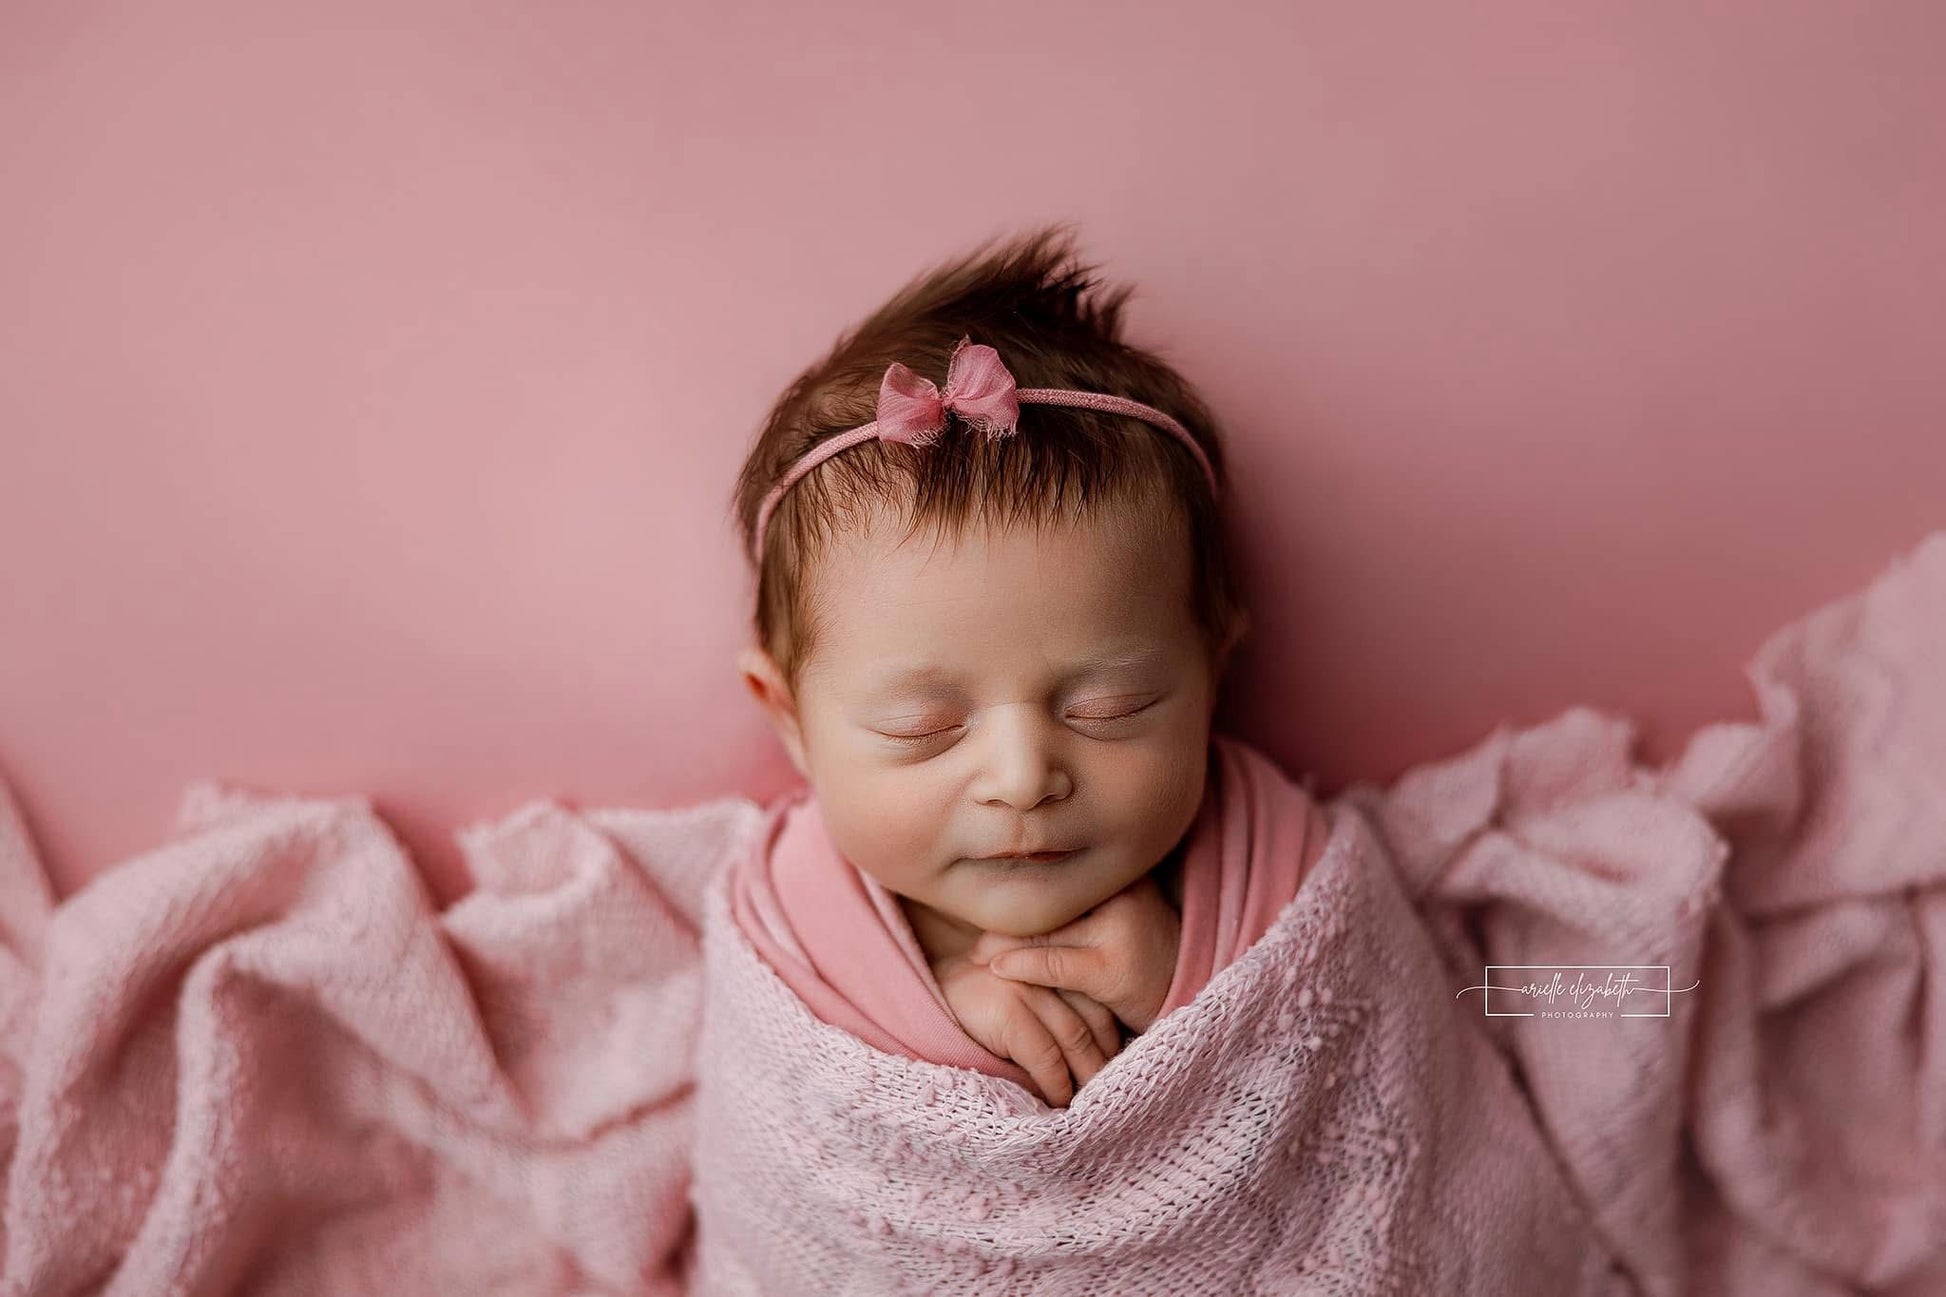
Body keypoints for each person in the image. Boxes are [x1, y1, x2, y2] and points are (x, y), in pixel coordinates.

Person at [730, 223, 1325, 1107]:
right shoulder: (786, 920)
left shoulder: (1276, 866)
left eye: (1111, 705)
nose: (1022, 779)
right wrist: (940, 1015)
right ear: (789, 718)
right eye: (921, 727)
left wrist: (1195, 989)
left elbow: (1349, 1039)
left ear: (1213, 672)